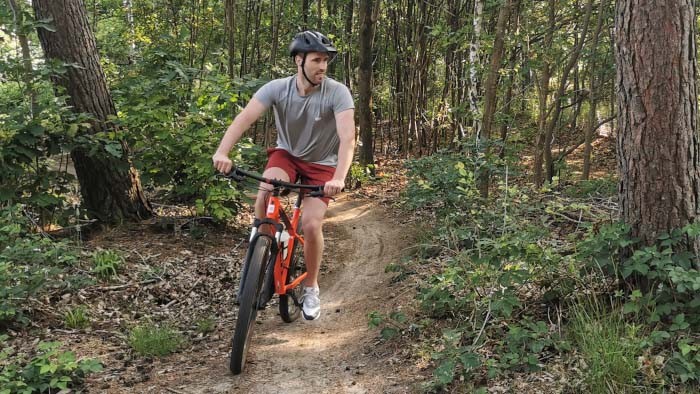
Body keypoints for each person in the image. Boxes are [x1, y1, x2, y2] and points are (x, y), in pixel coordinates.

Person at [212, 31, 355, 321]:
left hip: (322, 164)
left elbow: (347, 137)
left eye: (326, 61)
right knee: (266, 190)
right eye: (317, 60)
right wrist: (222, 153)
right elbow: (243, 119)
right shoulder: (277, 88)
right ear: (298, 61)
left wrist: (339, 177)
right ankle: (259, 242)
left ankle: (311, 287)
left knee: (311, 225)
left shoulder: (337, 92)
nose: (323, 67)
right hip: (287, 155)